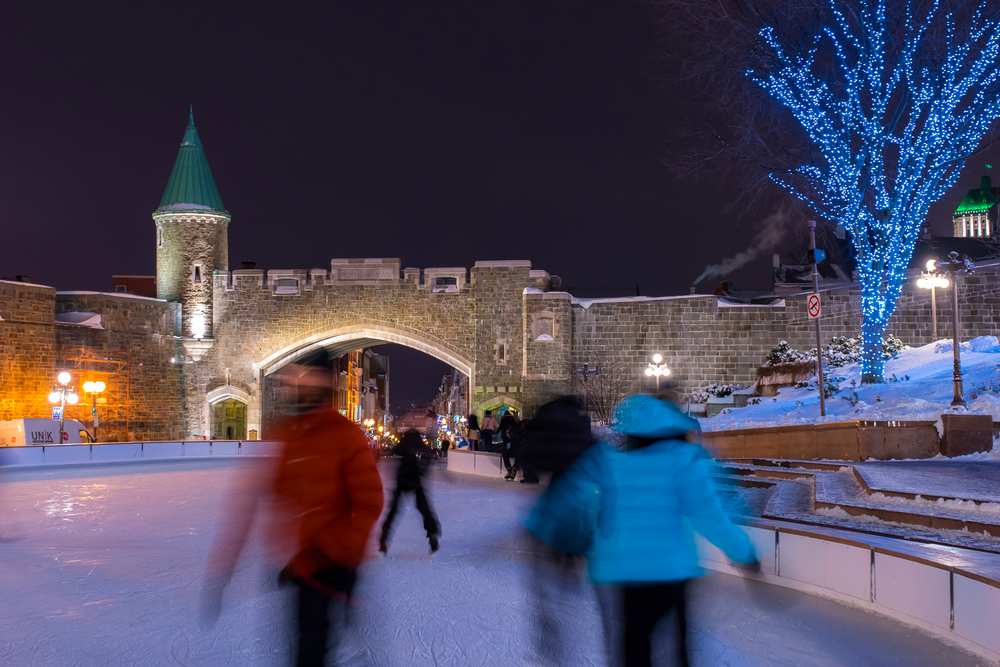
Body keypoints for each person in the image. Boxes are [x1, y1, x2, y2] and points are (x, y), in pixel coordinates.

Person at [200, 349, 385, 667]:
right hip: (302, 564)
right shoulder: (291, 434)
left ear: (316, 383)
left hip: (332, 564)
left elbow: (369, 503)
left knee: (310, 649)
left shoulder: (345, 435)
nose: (287, 387)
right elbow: (254, 499)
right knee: (304, 645)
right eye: (286, 380)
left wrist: (326, 552)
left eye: (295, 379)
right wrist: (223, 568)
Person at [590, 393, 758, 667]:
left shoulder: (618, 465)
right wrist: (744, 552)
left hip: (628, 573)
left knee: (634, 642)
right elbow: (708, 516)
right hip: (670, 570)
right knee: (678, 644)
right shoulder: (682, 461)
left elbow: (603, 519)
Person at [520, 396, 613, 666]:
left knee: (549, 599)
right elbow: (610, 487)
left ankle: (552, 651)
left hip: (549, 529)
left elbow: (535, 468)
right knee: (604, 604)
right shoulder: (591, 447)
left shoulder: (554, 441)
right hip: (585, 530)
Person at [379, 429, 441, 554]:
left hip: (402, 478)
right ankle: (432, 535)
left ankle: (383, 539)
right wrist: (424, 469)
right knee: (424, 508)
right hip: (415, 479)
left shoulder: (402, 445)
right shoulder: (418, 444)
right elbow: (429, 454)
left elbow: (394, 451)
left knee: (393, 509)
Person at [499, 409, 520, 479]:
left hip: (516, 449)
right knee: (505, 453)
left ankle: (513, 468)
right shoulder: (513, 423)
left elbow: (500, 427)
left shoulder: (504, 420)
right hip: (513, 449)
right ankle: (511, 468)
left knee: (519, 454)